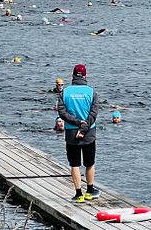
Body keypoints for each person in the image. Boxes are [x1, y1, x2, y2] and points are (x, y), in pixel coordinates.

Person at [57, 64, 100, 203]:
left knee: (74, 164)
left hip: (71, 133)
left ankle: (78, 194)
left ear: (73, 76)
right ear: (85, 76)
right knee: (89, 163)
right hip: (88, 133)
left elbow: (62, 113)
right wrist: (84, 127)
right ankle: (90, 190)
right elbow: (93, 114)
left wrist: (77, 123)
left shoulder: (64, 92)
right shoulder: (92, 92)